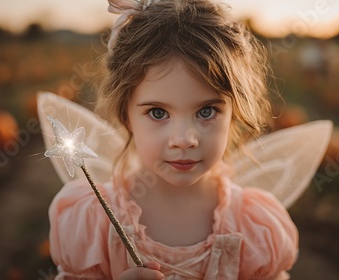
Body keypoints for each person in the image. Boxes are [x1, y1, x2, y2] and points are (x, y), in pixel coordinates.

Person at [48, 0, 298, 279]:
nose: (183, 140)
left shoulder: (253, 226)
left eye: (206, 111)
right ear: (125, 115)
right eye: (158, 112)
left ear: (234, 113)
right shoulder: (97, 221)